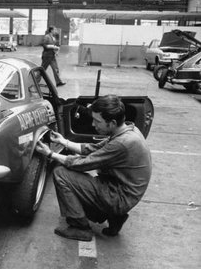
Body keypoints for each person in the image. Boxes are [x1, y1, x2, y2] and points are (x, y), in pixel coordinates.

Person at [36, 95, 152, 241]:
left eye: (97, 121)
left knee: (61, 174)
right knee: (80, 175)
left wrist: (50, 154)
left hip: (119, 197)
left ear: (112, 123)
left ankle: (80, 227)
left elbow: (83, 163)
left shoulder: (122, 143)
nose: (93, 125)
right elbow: (92, 148)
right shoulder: (129, 130)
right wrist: (64, 142)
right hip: (124, 192)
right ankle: (115, 217)